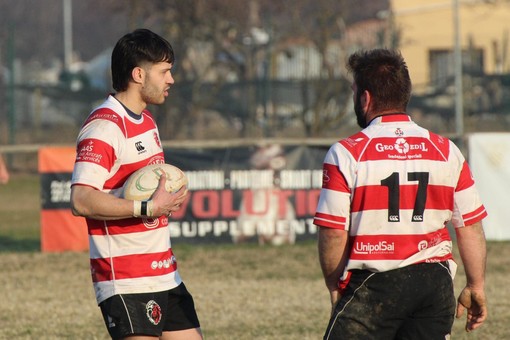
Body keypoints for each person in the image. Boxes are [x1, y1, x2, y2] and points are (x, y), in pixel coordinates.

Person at [314, 49, 488, 339]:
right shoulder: (446, 150)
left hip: (373, 282)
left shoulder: (346, 153)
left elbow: (333, 233)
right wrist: (476, 285)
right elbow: (469, 226)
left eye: (354, 92)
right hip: (434, 283)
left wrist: (335, 285)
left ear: (365, 98)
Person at [70, 29, 202, 340]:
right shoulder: (104, 127)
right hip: (127, 279)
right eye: (164, 71)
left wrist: (167, 197)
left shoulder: (147, 121)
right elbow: (81, 200)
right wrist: (148, 207)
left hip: (165, 274)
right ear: (139, 74)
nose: (171, 79)